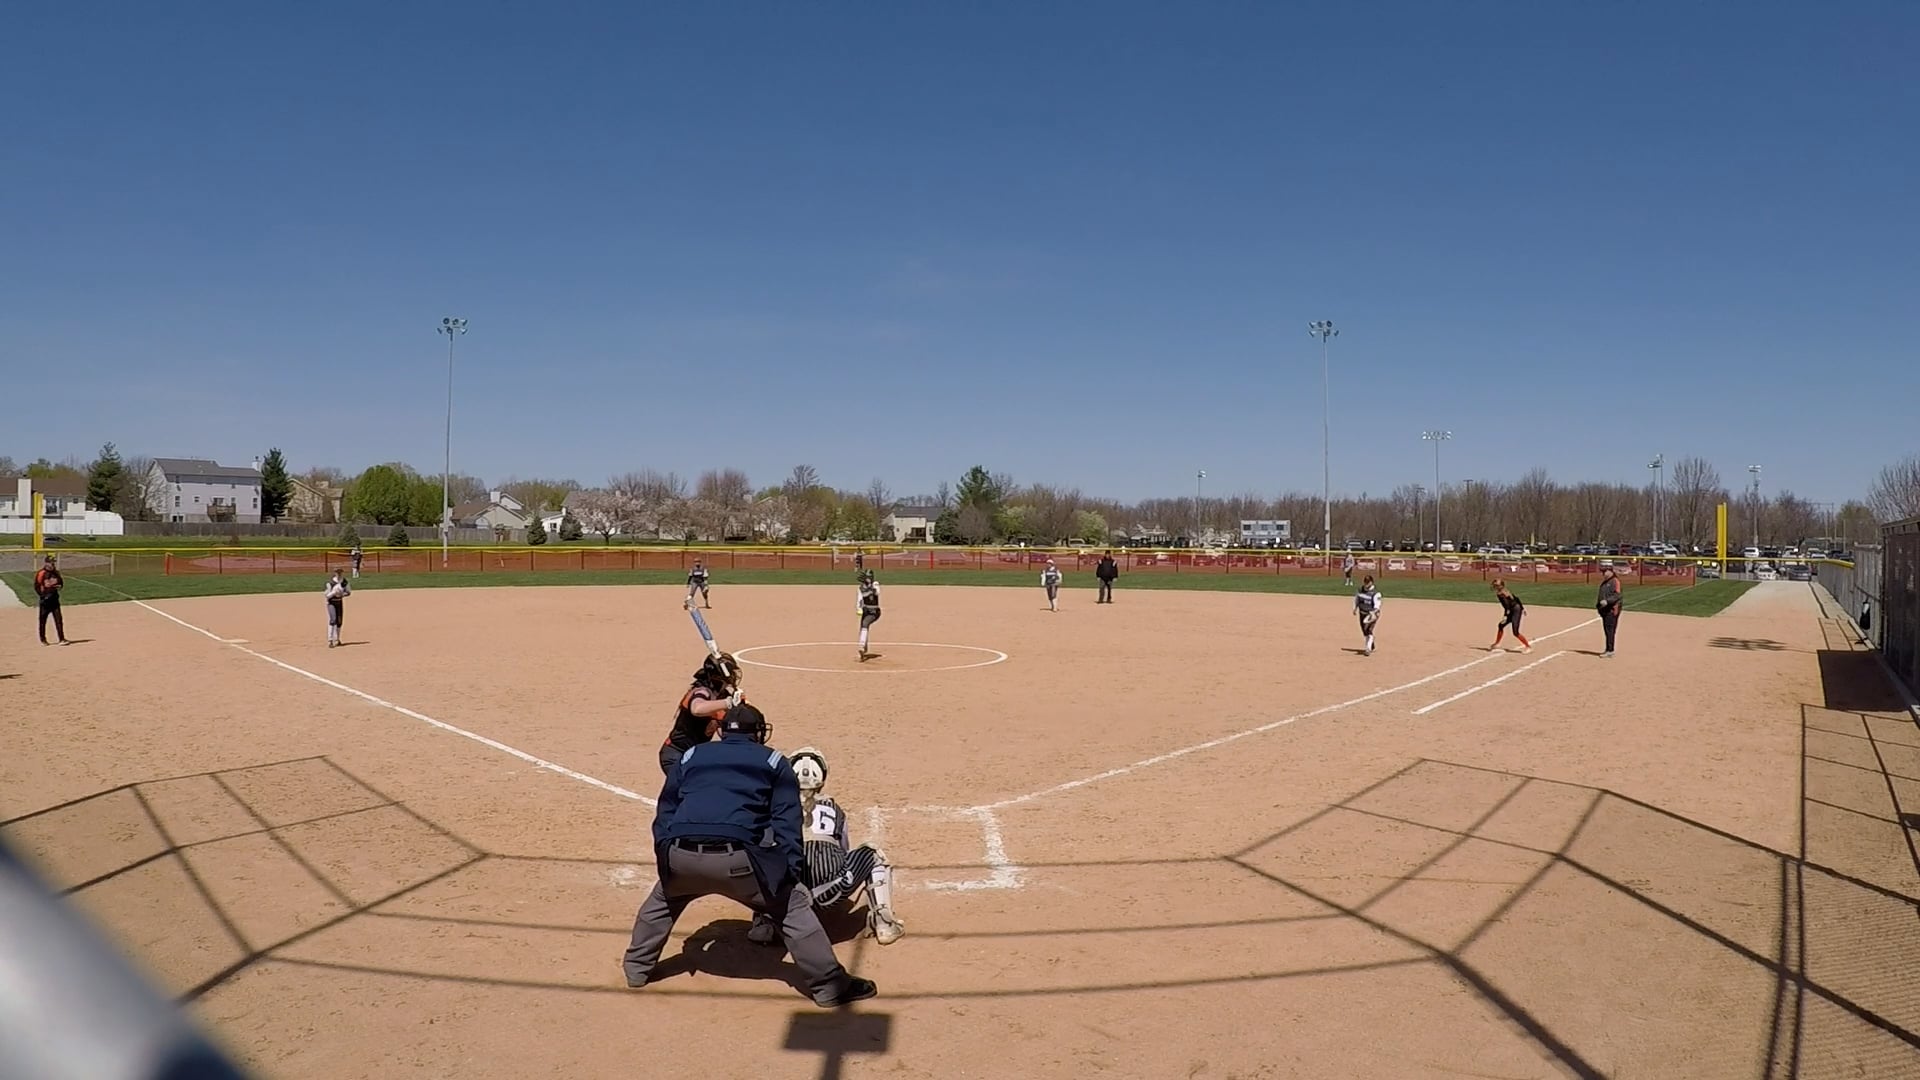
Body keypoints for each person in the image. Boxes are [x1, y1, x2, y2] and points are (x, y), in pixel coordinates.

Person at [621, 704, 877, 1008]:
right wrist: (788, 875)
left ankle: (636, 970)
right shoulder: (773, 761)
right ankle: (829, 987)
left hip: (681, 856)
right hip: (739, 863)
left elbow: (666, 810)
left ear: (721, 731)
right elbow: (787, 823)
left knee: (662, 901)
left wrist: (667, 858)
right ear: (758, 733)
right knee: (792, 906)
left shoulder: (691, 755)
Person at [748, 746, 904, 947]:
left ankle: (764, 924)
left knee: (760, 855)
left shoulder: (775, 807)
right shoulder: (834, 809)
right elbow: (843, 850)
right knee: (873, 855)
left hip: (787, 898)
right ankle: (884, 923)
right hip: (832, 892)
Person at [660, 653, 741, 774]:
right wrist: (728, 703)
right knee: (689, 784)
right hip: (676, 753)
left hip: (695, 755)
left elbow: (724, 730)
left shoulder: (722, 695)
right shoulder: (701, 691)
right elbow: (697, 709)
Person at [1490, 579, 1532, 653]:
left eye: (1496, 585)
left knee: (1515, 632)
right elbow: (1517, 599)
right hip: (1514, 609)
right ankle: (1497, 644)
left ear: (1501, 586)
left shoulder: (1501, 594)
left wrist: (1505, 616)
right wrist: (1522, 608)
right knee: (1501, 625)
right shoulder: (1506, 591)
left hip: (1515, 610)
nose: (1495, 587)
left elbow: (1507, 606)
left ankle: (1528, 647)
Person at [34, 555, 68, 646]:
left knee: (59, 620)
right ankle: (43, 639)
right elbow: (36, 586)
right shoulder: (41, 573)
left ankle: (61, 639)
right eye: (51, 562)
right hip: (45, 602)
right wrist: (43, 595)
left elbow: (61, 583)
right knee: (42, 621)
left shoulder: (56, 573)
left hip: (55, 600)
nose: (52, 564)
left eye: (53, 562)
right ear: (46, 563)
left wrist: (59, 586)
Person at [1596, 567, 1623, 658]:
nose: (1603, 573)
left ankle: (1610, 650)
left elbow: (1617, 595)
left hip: (1611, 609)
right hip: (1605, 609)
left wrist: (1607, 601)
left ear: (1610, 571)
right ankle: (1608, 649)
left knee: (1610, 630)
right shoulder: (1605, 582)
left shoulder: (1615, 581)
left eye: (1605, 571)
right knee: (1607, 630)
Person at [855, 570, 881, 662]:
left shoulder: (875, 584)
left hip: (874, 612)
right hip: (866, 611)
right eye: (867, 577)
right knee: (863, 628)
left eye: (869, 577)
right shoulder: (861, 587)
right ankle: (864, 650)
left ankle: (861, 646)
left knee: (865, 624)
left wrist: (869, 586)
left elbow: (876, 592)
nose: (868, 579)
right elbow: (860, 598)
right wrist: (859, 608)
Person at [1353, 573, 1382, 656]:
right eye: (1365, 582)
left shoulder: (1376, 593)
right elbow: (1356, 599)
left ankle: (1368, 649)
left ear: (1371, 582)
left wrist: (1373, 613)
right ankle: (1371, 642)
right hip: (1362, 614)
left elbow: (1377, 606)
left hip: (1372, 615)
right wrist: (1355, 608)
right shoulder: (1360, 590)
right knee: (1365, 632)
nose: (1366, 583)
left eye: (1368, 582)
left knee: (1368, 630)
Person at [323, 569, 351, 648]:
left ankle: (337, 639)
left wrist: (342, 594)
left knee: (339, 621)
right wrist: (334, 593)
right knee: (333, 620)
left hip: (339, 602)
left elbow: (348, 592)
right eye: (337, 572)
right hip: (331, 603)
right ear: (335, 573)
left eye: (340, 572)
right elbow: (326, 595)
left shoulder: (344, 582)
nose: (339, 574)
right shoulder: (330, 583)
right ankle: (330, 640)